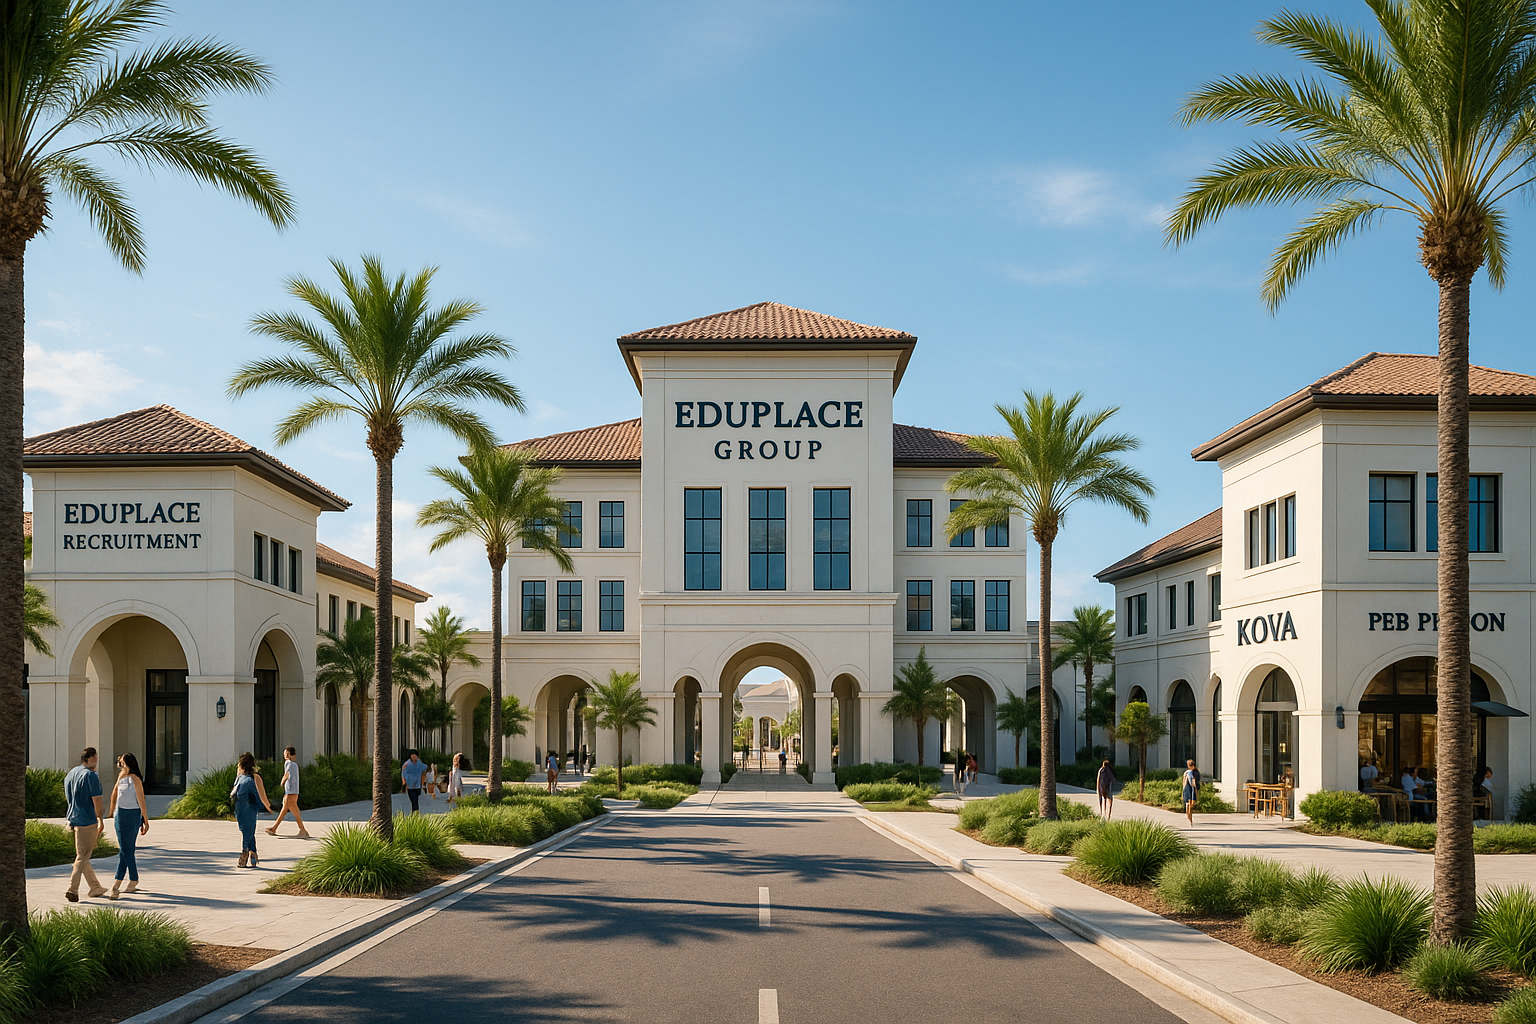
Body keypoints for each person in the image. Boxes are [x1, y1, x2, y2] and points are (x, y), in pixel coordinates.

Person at [64, 746, 108, 902]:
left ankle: (95, 887)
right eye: (95, 758)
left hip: (73, 818)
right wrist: (100, 819)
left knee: (84, 854)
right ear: (91, 758)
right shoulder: (91, 776)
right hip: (87, 820)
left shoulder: (71, 774)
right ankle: (72, 889)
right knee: (82, 857)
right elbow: (97, 801)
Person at [106, 752, 149, 899]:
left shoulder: (135, 779)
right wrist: (111, 812)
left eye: (121, 761)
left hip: (132, 815)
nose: (119, 763)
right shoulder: (121, 777)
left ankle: (117, 885)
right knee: (125, 849)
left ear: (127, 763)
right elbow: (114, 794)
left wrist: (145, 818)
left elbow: (140, 798)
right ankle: (133, 880)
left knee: (126, 849)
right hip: (120, 815)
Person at [231, 752, 273, 867]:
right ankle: (253, 854)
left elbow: (262, 794)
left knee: (247, 830)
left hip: (246, 807)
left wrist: (269, 806)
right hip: (244, 807)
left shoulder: (254, 777)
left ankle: (244, 852)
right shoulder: (242, 777)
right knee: (247, 830)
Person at [266, 746, 310, 838]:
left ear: (289, 755)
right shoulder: (295, 765)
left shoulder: (288, 763)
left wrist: (282, 782)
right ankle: (274, 828)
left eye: (286, 753)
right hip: (294, 791)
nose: (284, 755)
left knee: (291, 809)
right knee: (287, 809)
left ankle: (302, 829)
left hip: (290, 791)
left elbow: (287, 774)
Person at [401, 750, 427, 814]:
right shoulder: (406, 764)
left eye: (415, 755)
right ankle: (415, 812)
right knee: (414, 800)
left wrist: (423, 781)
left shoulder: (419, 763)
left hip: (418, 785)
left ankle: (415, 811)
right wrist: (404, 784)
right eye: (412, 755)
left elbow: (425, 768)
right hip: (410, 785)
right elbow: (403, 774)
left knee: (416, 798)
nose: (413, 757)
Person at [1181, 759, 1201, 826]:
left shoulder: (1189, 772)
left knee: (1189, 805)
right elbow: (1192, 781)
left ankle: (1190, 819)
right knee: (1190, 805)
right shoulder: (1192, 772)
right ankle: (1190, 819)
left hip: (1188, 789)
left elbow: (1186, 782)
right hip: (1191, 789)